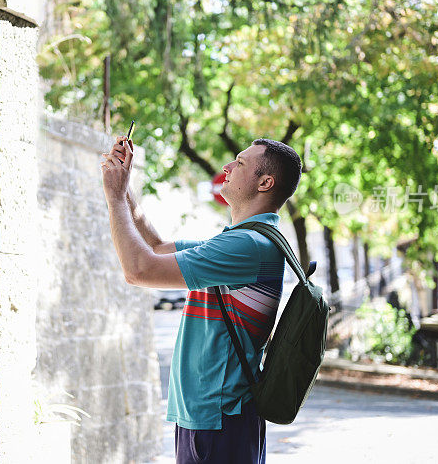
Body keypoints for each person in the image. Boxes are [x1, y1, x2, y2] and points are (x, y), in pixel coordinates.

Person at [100, 136, 303, 464]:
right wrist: (124, 188)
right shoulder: (241, 240)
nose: (227, 168)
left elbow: (139, 269)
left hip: (221, 416)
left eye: (239, 163)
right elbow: (157, 247)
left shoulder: (249, 246)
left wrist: (114, 197)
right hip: (209, 414)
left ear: (265, 182)